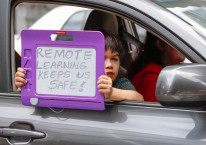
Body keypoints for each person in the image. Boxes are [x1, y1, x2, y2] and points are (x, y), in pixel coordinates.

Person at [15, 31, 144, 101]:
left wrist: (111, 92)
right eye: (101, 58)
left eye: (114, 59)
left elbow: (138, 98)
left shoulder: (119, 83)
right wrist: (24, 85)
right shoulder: (70, 82)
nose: (110, 65)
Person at [127, 31, 185, 102]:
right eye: (178, 46)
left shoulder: (160, 74)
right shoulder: (152, 79)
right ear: (161, 45)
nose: (183, 57)